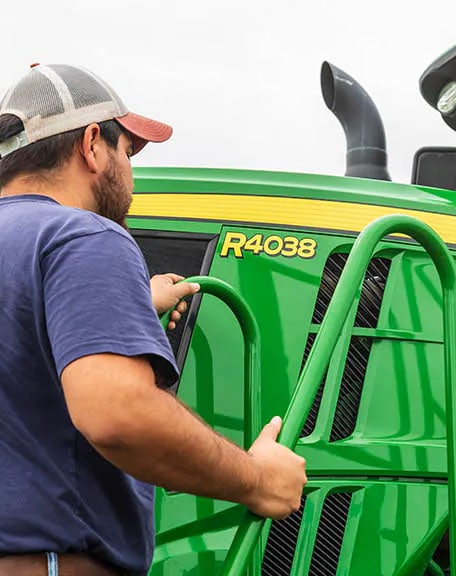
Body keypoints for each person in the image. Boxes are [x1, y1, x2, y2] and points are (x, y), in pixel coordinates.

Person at [0, 64, 306, 576]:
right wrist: (257, 478)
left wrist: (124, 308)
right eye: (129, 151)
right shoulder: (83, 236)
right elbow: (119, 415)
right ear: (93, 144)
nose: (131, 171)